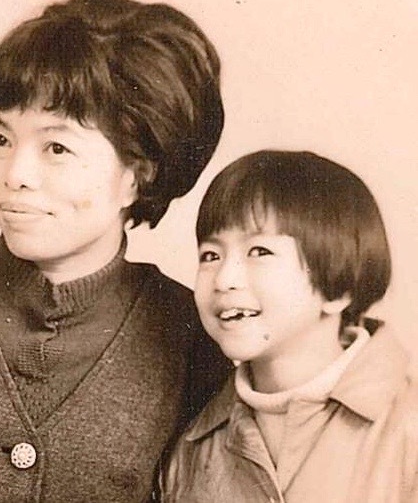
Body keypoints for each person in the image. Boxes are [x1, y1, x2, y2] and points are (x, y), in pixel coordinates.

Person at [0, 0, 230, 502]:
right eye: (1, 139)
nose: (15, 175)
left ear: (138, 175)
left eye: (56, 147)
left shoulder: (192, 341)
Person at [159, 150, 418, 502]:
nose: (224, 279)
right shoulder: (193, 447)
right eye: (211, 255)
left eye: (259, 252)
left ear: (338, 289)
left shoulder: (408, 426)